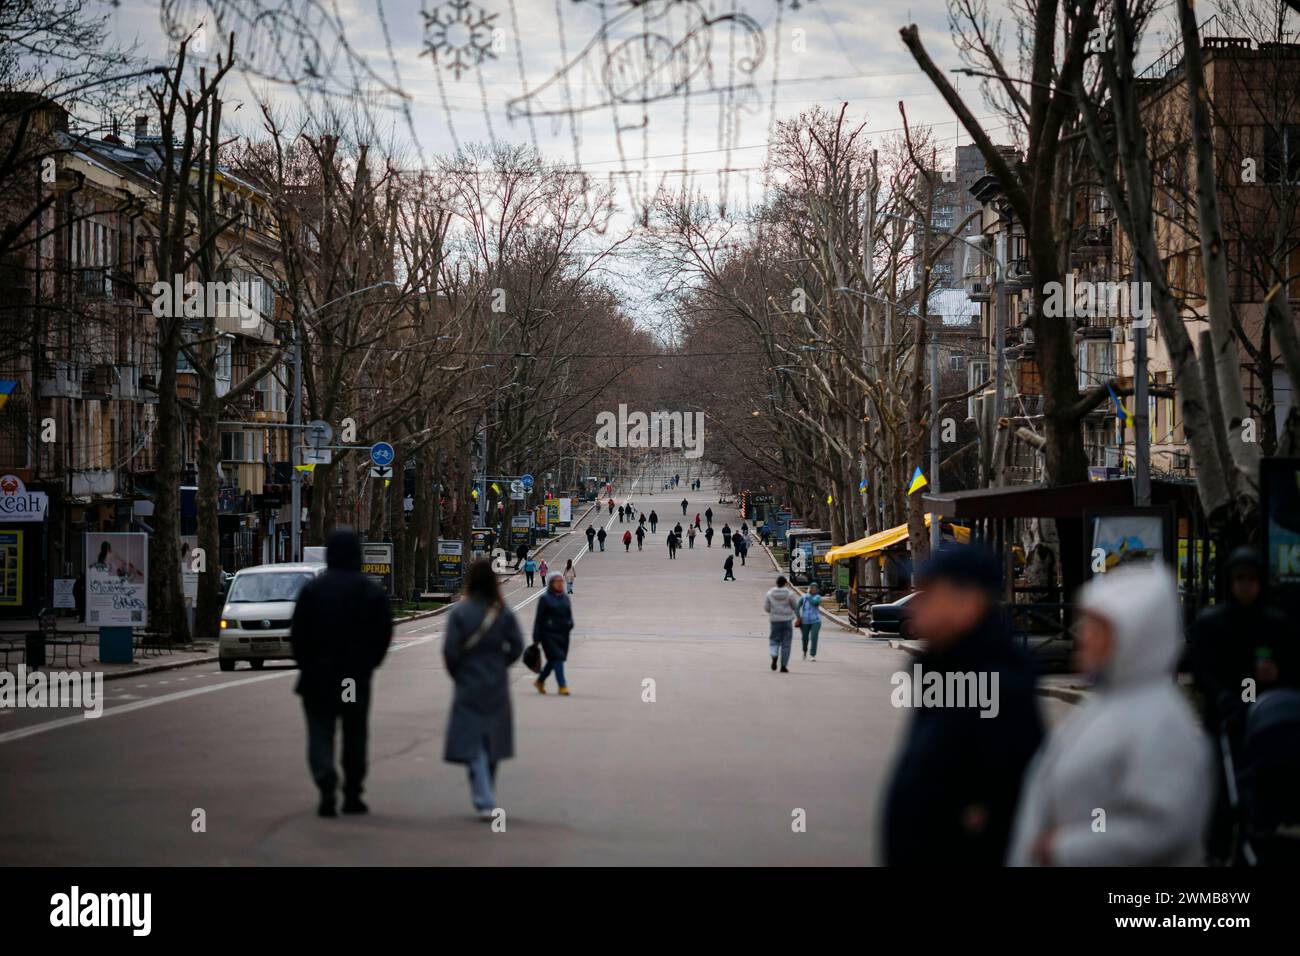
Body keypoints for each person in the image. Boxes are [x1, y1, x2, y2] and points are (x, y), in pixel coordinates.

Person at [1008, 562, 1212, 866]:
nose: (1083, 635)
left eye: (1097, 626)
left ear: (1134, 636)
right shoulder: (1112, 702)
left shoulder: (1161, 721)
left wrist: (1064, 849)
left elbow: (1162, 827)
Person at [881, 546, 1043, 866]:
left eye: (930, 594)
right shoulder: (946, 669)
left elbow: (1001, 813)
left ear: (969, 603)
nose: (917, 605)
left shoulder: (996, 687)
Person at [1189, 546, 1290, 862]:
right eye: (1239, 579)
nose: (1246, 586)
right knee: (1219, 785)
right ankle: (1218, 847)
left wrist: (1278, 673)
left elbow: (1292, 664)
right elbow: (1201, 668)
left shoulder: (1274, 623)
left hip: (1266, 719)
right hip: (1223, 717)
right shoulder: (1213, 623)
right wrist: (1221, 696)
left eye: (1252, 579)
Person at [289, 528, 393, 817]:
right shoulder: (370, 591)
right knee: (354, 732)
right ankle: (352, 793)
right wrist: (370, 663)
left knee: (320, 732)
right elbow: (384, 631)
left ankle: (325, 784)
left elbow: (298, 633)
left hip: (317, 676)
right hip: (353, 678)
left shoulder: (313, 590)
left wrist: (306, 664)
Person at [442, 559, 524, 819]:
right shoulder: (502, 611)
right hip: (496, 681)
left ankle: (483, 794)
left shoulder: (460, 612)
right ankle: (487, 788)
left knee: (471, 736)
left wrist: (460, 673)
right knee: (492, 737)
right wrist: (501, 664)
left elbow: (450, 651)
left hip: (468, 679)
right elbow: (518, 645)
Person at [532, 571, 573, 696]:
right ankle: (562, 686)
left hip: (563, 634)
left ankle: (540, 681)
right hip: (548, 635)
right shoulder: (545, 599)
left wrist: (570, 624)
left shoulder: (565, 598)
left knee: (554, 660)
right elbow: (539, 619)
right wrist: (536, 637)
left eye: (562, 581)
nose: (561, 584)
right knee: (557, 657)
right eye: (557, 581)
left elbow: (569, 616)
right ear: (551, 583)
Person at [764, 575, 800, 672]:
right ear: (785, 583)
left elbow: (767, 608)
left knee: (774, 640)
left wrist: (774, 611)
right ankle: (783, 665)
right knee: (786, 643)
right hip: (787, 621)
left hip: (775, 621)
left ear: (777, 583)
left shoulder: (770, 594)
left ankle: (774, 655)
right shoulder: (790, 594)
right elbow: (795, 606)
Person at [799, 582, 823, 661]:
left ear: (817, 590)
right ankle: (804, 651)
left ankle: (813, 655)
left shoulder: (818, 597)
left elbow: (814, 603)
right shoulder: (804, 597)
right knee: (805, 638)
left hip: (815, 621)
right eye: (812, 588)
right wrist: (798, 617)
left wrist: (809, 596)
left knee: (814, 637)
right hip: (805, 621)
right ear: (809, 589)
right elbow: (797, 606)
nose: (813, 589)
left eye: (815, 588)